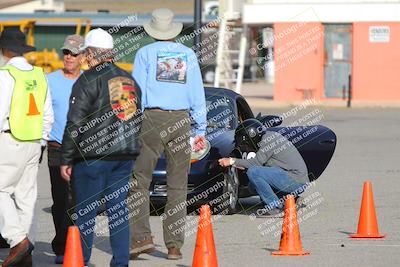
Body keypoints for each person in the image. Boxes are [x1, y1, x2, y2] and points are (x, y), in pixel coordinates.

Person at [129, 8, 207, 260]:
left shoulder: (144, 53)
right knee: (178, 185)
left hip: (152, 118)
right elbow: (197, 93)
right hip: (181, 119)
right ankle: (174, 245)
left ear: (152, 30)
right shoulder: (187, 54)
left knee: (139, 181)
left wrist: (132, 124)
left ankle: (140, 238)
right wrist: (201, 128)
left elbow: (136, 92)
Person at [60, 28, 142, 267]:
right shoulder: (128, 79)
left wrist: (66, 158)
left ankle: (80, 260)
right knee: (118, 210)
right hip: (124, 156)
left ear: (91, 53)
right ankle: (120, 262)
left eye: (85, 53)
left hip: (93, 157)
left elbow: (75, 122)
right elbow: (136, 116)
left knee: (85, 211)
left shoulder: (87, 80)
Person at [0, 28, 53, 267]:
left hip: (10, 139)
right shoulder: (40, 75)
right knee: (25, 197)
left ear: (3, 50)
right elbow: (48, 114)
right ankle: (26, 251)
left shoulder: (4, 75)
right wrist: (41, 141)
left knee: (1, 191)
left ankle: (18, 240)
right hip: (34, 142)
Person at [219, 119, 309, 216]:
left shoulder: (269, 140)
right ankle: (291, 199)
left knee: (253, 172)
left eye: (245, 144)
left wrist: (232, 161)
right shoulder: (267, 137)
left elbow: (256, 163)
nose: (246, 147)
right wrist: (237, 164)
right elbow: (261, 165)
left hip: (295, 180)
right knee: (252, 186)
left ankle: (275, 207)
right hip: (291, 177)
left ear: (251, 138)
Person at [46, 34, 85, 264]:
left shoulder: (89, 81)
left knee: (78, 199)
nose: (69, 57)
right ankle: (61, 245)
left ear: (83, 57)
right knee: (60, 199)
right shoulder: (49, 80)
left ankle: (73, 243)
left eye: (74, 53)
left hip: (82, 150)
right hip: (57, 149)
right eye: (66, 52)